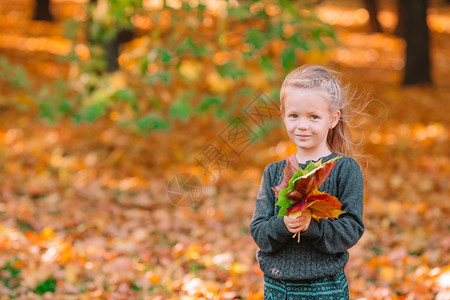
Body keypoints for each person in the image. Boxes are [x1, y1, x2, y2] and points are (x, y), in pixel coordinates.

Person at [249, 65, 365, 299]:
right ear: (284, 116)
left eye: (313, 117)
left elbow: (352, 228)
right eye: (294, 115)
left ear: (333, 119)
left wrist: (312, 226)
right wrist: (283, 224)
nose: (302, 125)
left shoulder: (345, 169)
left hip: (325, 286)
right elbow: (259, 231)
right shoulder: (274, 172)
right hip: (277, 287)